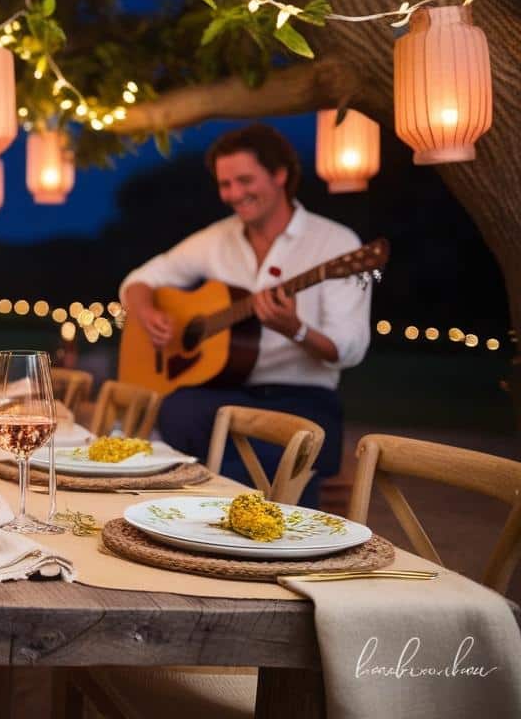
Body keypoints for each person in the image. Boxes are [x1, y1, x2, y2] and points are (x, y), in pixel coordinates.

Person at [119, 124, 372, 506]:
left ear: (280, 175)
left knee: (264, 462)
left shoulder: (337, 245)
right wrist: (147, 310)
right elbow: (139, 280)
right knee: (175, 413)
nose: (234, 194)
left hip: (300, 398)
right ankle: (183, 516)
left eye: (244, 180)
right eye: (225, 184)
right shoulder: (217, 238)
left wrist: (296, 330)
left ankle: (272, 537)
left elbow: (349, 348)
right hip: (224, 393)